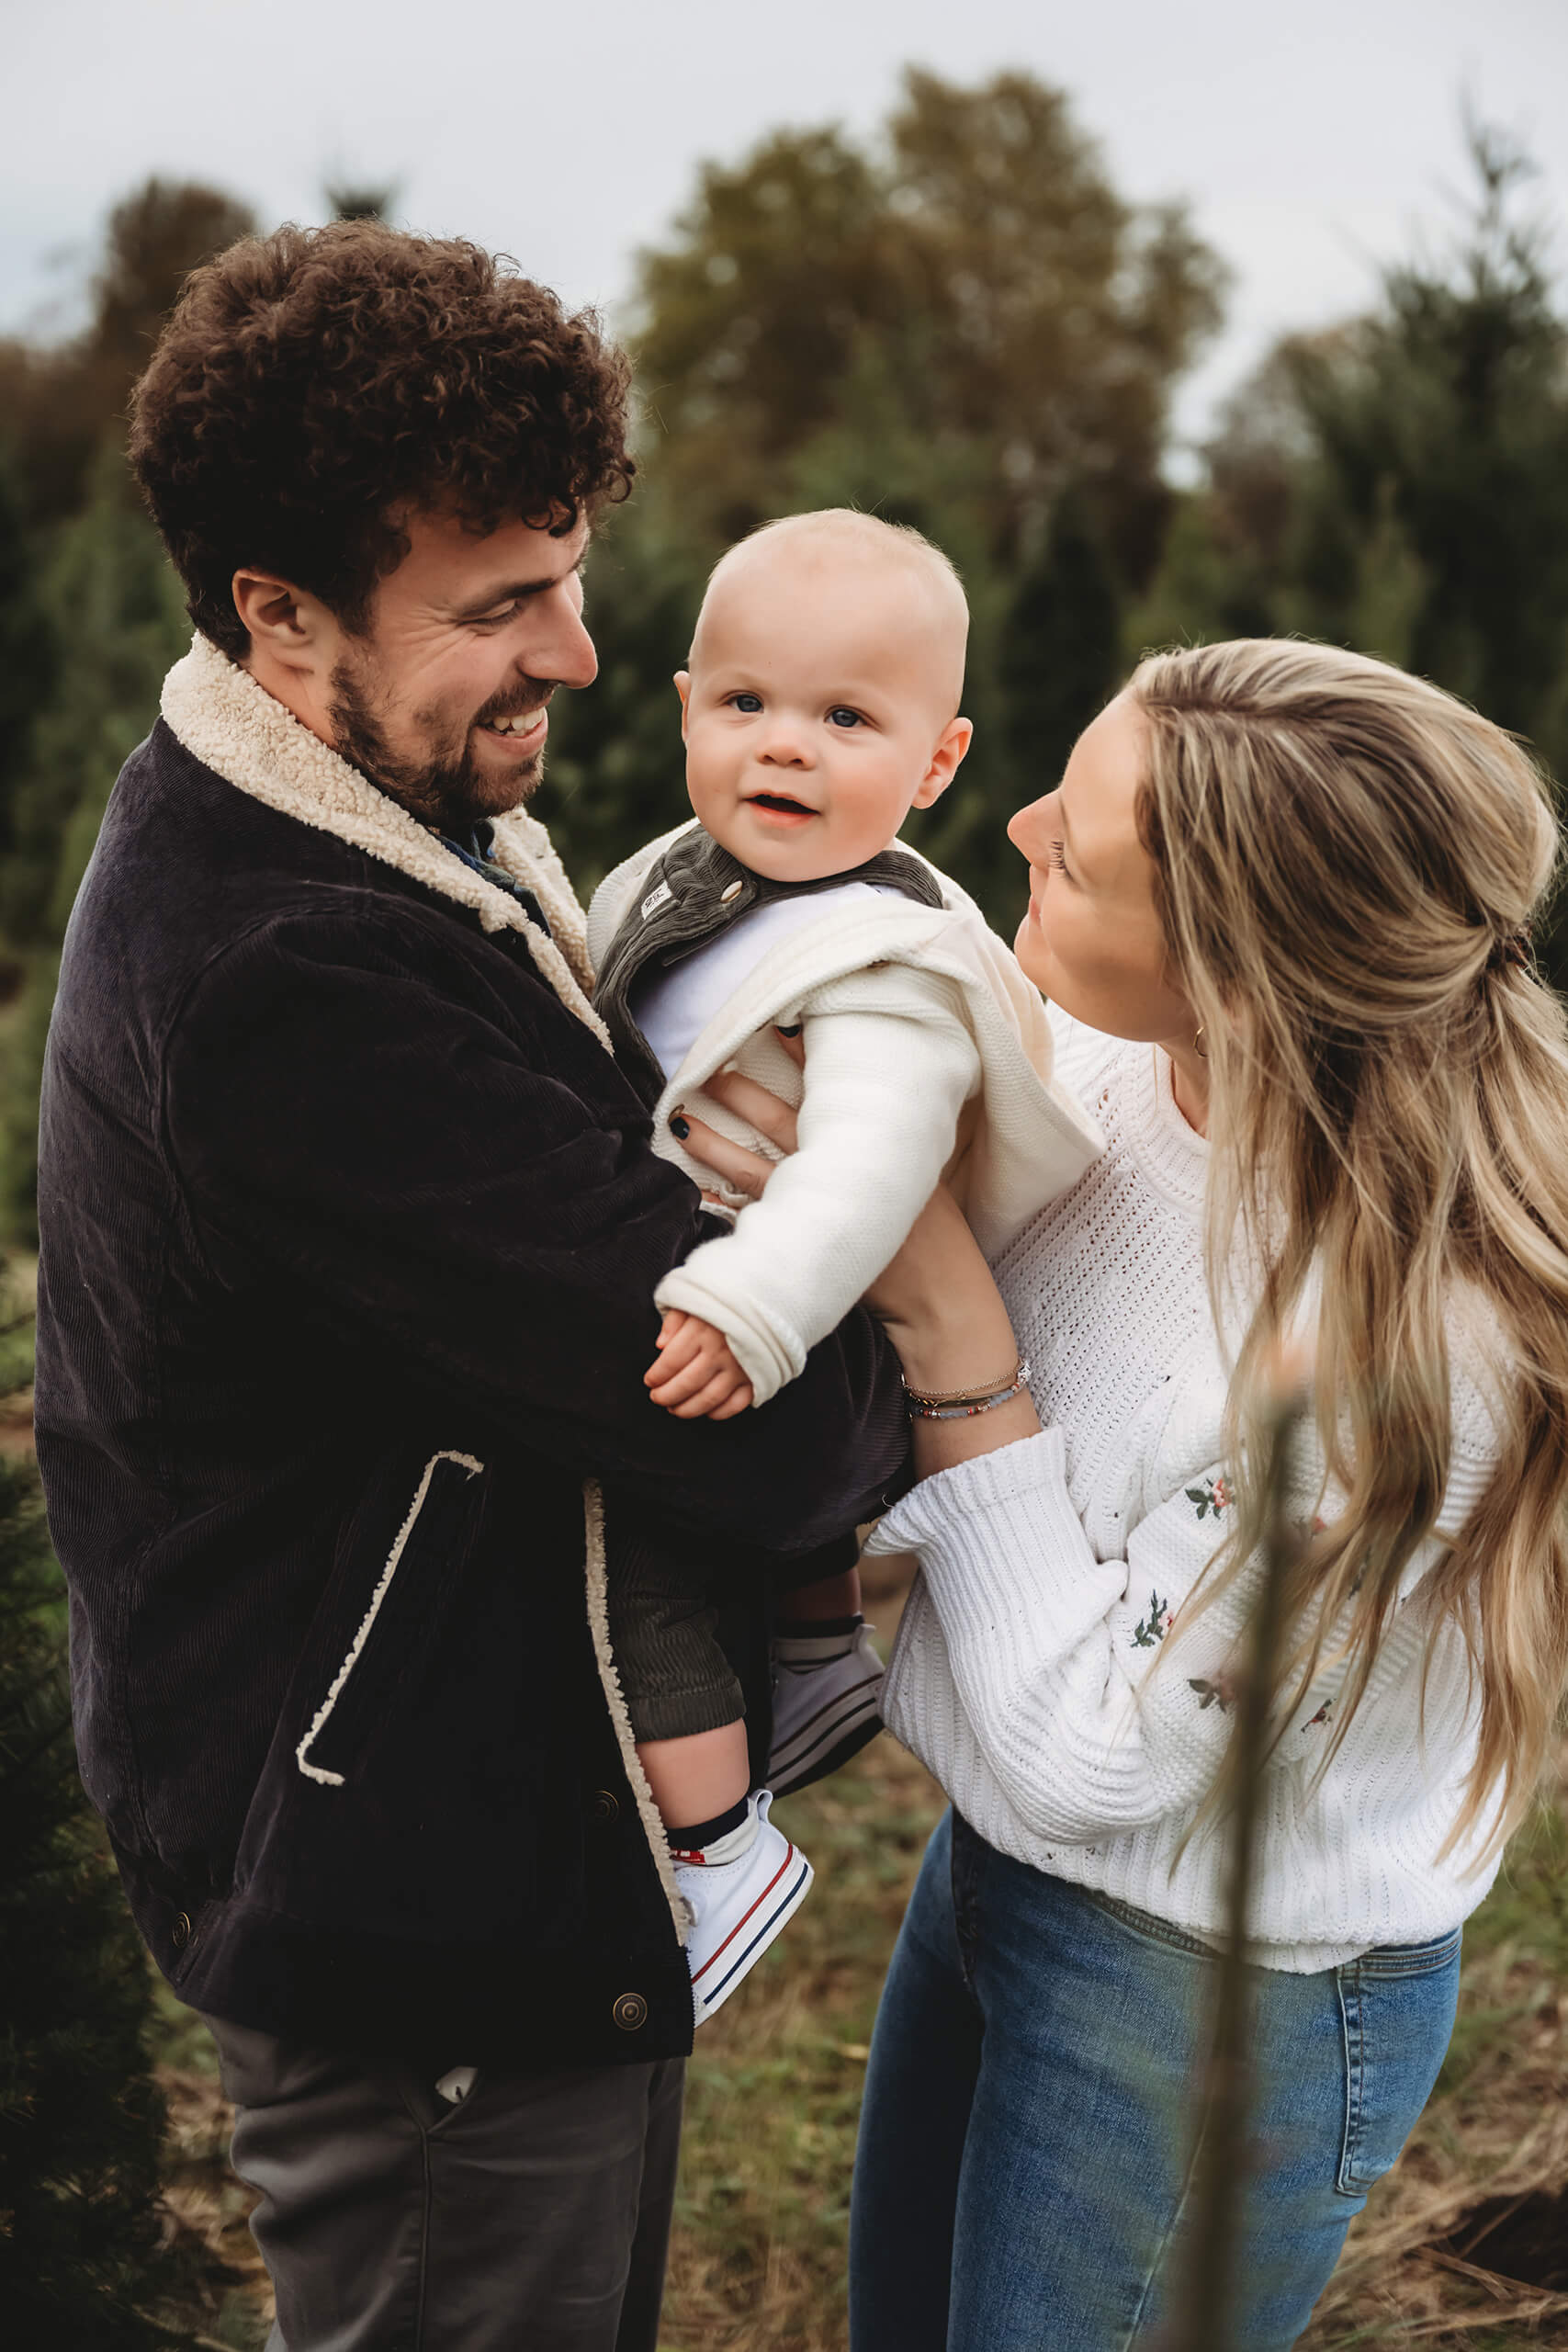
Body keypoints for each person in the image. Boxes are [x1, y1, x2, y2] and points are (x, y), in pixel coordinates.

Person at [30, 220, 911, 2352]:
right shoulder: (286, 978)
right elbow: (769, 1419)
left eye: (572, 576)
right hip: (410, 1892)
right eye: (499, 604)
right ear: (279, 612)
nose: (581, 655)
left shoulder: (376, 821)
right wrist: (917, 1326)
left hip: (475, 1813)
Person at [675, 639, 1568, 2350]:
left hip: (1207, 1995)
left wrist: (944, 1312)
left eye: (1072, 852)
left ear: (1240, 969)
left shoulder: (1397, 1363)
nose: (1009, 825)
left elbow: (1099, 1753)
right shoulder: (1100, 1067)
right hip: (996, 1867)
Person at [581, 509, 1100, 2018]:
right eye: (746, 705)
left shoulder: (883, 963)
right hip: (706, 1280)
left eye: (845, 720)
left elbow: (868, 1167)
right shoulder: (682, 882)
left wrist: (755, 1308)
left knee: (638, 1558)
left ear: (936, 766)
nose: (784, 750)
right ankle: (813, 1648)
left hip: (783, 1313)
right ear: (684, 707)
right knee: (720, 1547)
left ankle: (719, 1847)